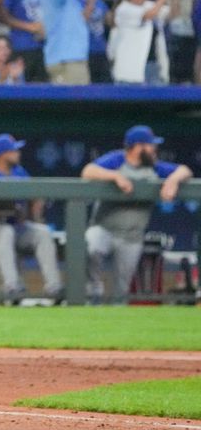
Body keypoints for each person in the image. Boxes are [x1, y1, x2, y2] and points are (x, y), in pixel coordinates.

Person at [81, 125, 192, 303]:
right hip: (105, 228)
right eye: (150, 145)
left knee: (122, 290)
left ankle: (115, 319)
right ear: (137, 146)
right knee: (90, 244)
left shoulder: (154, 167)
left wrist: (172, 180)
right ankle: (93, 291)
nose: (154, 149)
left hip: (131, 236)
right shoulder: (117, 159)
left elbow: (185, 170)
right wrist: (115, 177)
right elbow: (87, 171)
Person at [0, 133, 64, 304]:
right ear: (2, 154)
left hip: (18, 227)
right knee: (6, 231)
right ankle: (12, 287)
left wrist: (36, 206)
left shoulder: (19, 171)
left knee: (42, 233)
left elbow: (34, 195)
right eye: (13, 150)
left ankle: (54, 287)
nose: (18, 153)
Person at [110, 0, 178, 85]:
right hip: (129, 70)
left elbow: (173, 14)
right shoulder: (123, 9)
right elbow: (150, 15)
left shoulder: (147, 5)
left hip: (153, 64)